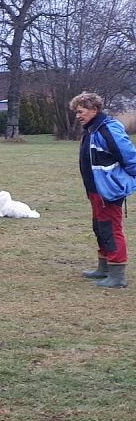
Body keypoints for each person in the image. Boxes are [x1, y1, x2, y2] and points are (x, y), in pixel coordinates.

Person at [74, 91, 136, 288]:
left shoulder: (107, 129)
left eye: (81, 111)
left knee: (110, 227)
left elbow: (129, 156)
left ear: (94, 109)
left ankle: (117, 275)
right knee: (99, 226)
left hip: (108, 190)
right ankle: (104, 267)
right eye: (76, 112)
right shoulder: (91, 130)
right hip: (95, 190)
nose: (77, 115)